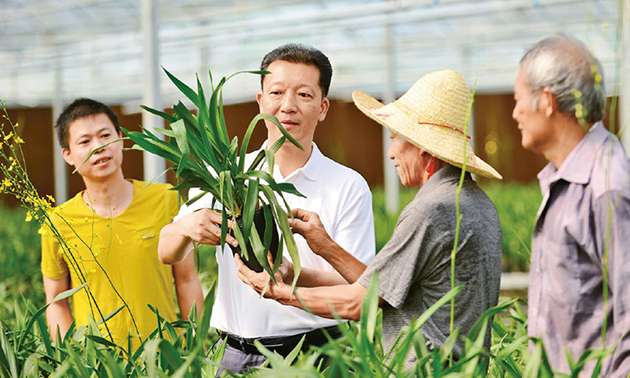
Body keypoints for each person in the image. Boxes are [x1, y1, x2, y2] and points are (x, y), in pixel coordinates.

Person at [237, 69, 503, 366]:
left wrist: (278, 292)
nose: (390, 154)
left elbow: (360, 302)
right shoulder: (476, 202)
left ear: (423, 148)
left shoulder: (430, 211)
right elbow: (381, 286)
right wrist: (323, 246)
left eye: (394, 138)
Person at [157, 43, 375, 374]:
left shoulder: (347, 185)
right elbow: (166, 250)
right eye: (276, 92)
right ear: (261, 101)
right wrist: (186, 227)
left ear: (323, 107)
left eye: (304, 95)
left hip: (317, 354)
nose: (288, 106)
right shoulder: (226, 174)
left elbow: (358, 284)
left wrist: (291, 280)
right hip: (233, 354)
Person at [41, 98, 203, 348]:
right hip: (97, 364)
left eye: (105, 136)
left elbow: (187, 279)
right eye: (85, 141)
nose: (98, 147)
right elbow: (56, 301)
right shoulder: (58, 222)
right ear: (68, 155)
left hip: (166, 357)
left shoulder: (166, 198)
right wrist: (70, 361)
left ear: (121, 139)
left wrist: (196, 346)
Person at [512, 34, 630, 377]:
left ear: (546, 102)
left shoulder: (607, 188)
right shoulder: (564, 179)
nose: (516, 111)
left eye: (519, 99)